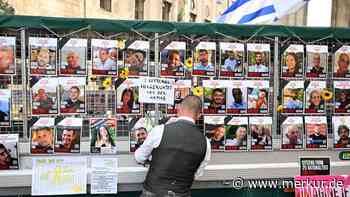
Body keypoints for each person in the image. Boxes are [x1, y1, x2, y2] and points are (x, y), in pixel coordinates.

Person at [135, 95, 211, 197]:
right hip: (181, 193)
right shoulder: (205, 142)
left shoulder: (160, 130)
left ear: (178, 109)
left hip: (153, 191)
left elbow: (139, 157)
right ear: (199, 115)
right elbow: (197, 174)